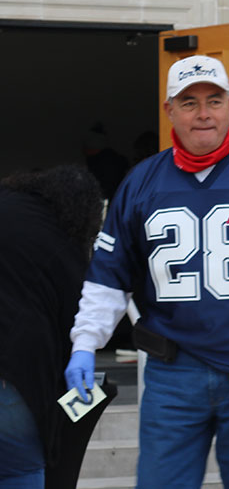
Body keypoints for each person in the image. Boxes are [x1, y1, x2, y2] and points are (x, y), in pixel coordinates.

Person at [63, 55, 229, 488]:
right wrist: (86, 343)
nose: (203, 114)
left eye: (214, 101)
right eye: (189, 102)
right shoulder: (140, 182)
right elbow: (109, 275)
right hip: (172, 373)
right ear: (169, 110)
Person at [0, 166, 104, 488]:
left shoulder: (6, 203)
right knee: (20, 471)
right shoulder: (63, 242)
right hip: (15, 378)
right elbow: (78, 317)